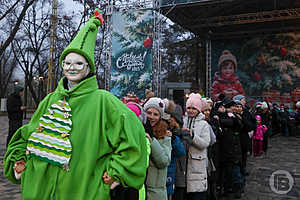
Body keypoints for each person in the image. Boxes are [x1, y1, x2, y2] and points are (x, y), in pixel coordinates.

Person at [4, 9, 148, 200]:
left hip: (84, 191)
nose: (72, 67)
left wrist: (116, 173)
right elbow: (26, 136)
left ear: (88, 67)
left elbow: (134, 139)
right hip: (41, 189)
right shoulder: (50, 100)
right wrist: (20, 161)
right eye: (67, 62)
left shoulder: (104, 101)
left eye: (79, 63)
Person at [181, 93, 210, 200]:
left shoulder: (204, 124)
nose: (191, 110)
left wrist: (193, 136)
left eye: (194, 108)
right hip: (184, 163)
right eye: (189, 108)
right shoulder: (183, 121)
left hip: (197, 165)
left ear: (198, 109)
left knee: (197, 194)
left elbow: (205, 143)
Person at [143, 97, 172, 200]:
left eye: (156, 114)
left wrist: (152, 141)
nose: (151, 117)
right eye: (149, 112)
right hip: (139, 188)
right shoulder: (138, 129)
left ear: (160, 117)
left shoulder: (165, 135)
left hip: (155, 193)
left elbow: (164, 161)